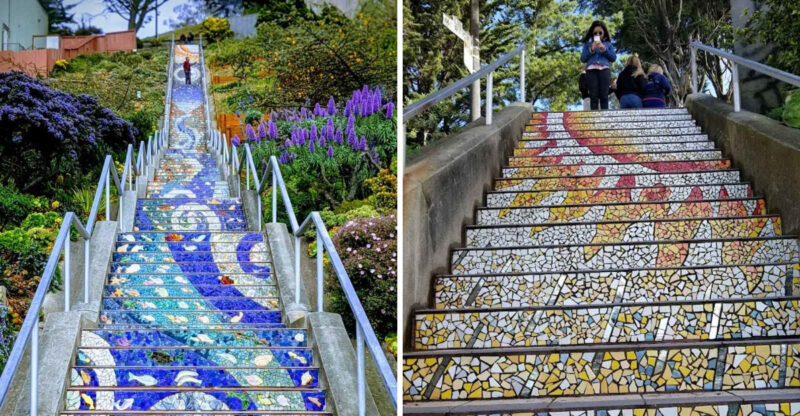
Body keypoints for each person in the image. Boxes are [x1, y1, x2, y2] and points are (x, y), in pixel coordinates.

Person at [580, 20, 616, 110]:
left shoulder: (608, 44)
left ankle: (605, 116)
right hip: (591, 70)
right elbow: (583, 58)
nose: (598, 35)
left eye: (600, 33)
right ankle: (594, 117)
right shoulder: (587, 45)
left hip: (604, 70)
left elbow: (613, 58)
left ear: (604, 33)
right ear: (592, 34)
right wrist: (591, 49)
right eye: (595, 33)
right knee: (593, 95)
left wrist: (604, 49)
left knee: (604, 95)